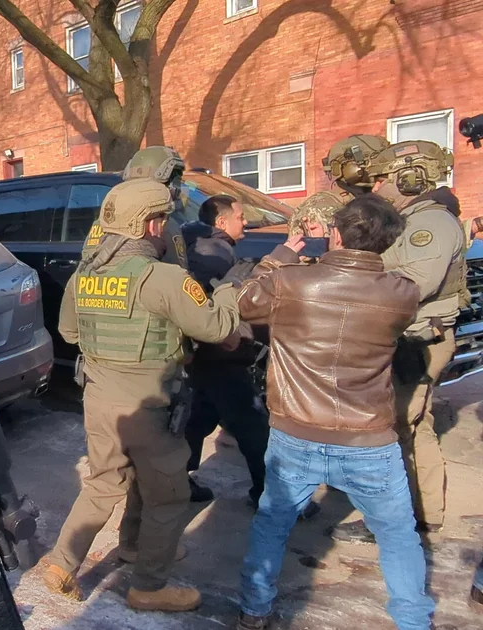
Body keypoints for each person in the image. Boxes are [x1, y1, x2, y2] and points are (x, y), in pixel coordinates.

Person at [43, 179, 241, 612]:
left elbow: (69, 332)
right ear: (150, 225)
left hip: (99, 400)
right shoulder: (163, 277)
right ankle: (148, 587)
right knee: (167, 496)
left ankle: (62, 564)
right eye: (163, 220)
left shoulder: (85, 273)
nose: (166, 228)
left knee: (103, 483)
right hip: (150, 407)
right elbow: (216, 327)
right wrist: (229, 290)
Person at [236, 195, 431, 630]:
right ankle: (414, 622)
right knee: (398, 536)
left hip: (296, 431)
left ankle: (253, 610)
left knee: (272, 524)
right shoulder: (403, 293)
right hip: (369, 439)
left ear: (336, 235)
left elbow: (244, 301)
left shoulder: (290, 282)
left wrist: (282, 255)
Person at [329, 140, 463, 544]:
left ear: (410, 178)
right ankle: (425, 513)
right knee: (416, 427)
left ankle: (393, 521)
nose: (377, 187)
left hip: (419, 340)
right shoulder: (418, 218)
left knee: (396, 431)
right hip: (414, 336)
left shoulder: (431, 224)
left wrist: (355, 281)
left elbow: (415, 284)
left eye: (383, 179)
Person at [180, 195, 268, 508]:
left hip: (206, 354)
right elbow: (208, 306)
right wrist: (226, 338)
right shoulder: (212, 254)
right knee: (252, 423)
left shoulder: (204, 246)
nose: (245, 222)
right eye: (240, 217)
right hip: (221, 352)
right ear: (221, 221)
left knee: (199, 417)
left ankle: (176, 481)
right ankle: (270, 495)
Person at [122, 145, 190, 269]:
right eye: (175, 181)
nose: (177, 189)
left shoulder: (105, 222)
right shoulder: (163, 224)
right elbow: (179, 275)